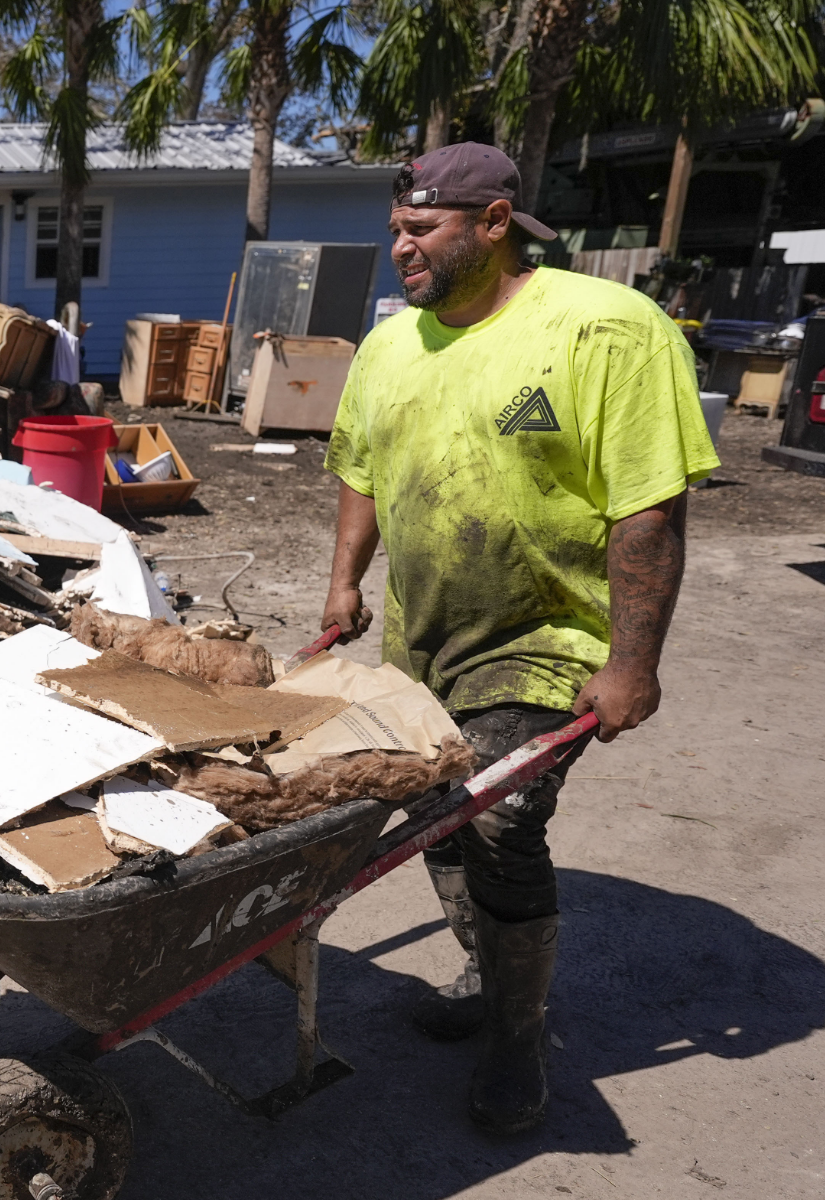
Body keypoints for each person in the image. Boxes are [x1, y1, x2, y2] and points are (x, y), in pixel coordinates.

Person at [320, 143, 718, 1133]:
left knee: (495, 820)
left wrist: (632, 665)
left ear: (493, 223)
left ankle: (514, 1035)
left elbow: (646, 510)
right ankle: (485, 969)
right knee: (428, 818)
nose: (399, 250)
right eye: (395, 232)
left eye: (420, 231)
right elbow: (360, 472)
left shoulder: (604, 329)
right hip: (424, 640)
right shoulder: (387, 346)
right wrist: (342, 585)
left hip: (545, 636)